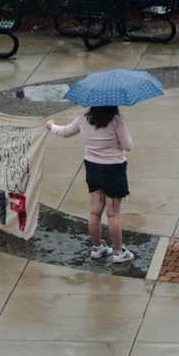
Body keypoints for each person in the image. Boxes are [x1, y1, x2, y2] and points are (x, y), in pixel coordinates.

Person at [47, 104, 135, 265]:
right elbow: (128, 146)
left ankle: (97, 248)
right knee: (113, 214)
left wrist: (51, 126)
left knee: (95, 212)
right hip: (114, 169)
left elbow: (65, 132)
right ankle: (118, 252)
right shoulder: (116, 121)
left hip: (93, 167)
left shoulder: (83, 119)